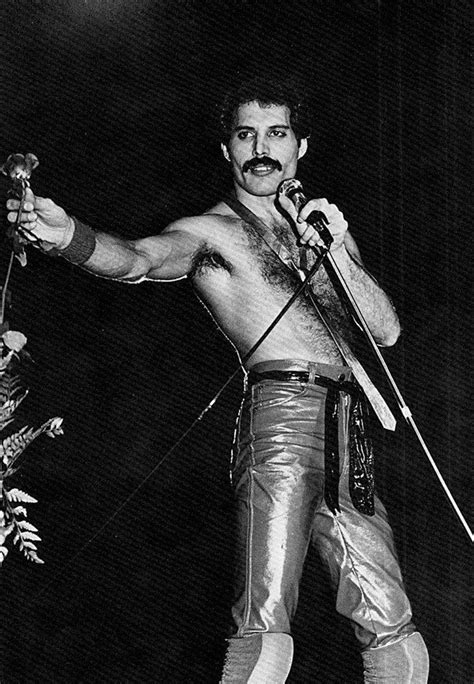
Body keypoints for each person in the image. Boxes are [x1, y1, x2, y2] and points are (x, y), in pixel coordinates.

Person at [7, 78, 429, 683]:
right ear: (226, 148)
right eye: (245, 135)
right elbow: (140, 259)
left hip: (348, 427)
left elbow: (385, 331)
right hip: (281, 417)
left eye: (276, 134)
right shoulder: (211, 232)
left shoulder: (325, 232)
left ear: (301, 147)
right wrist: (68, 236)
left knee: (394, 626)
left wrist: (337, 249)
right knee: (265, 620)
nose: (261, 148)